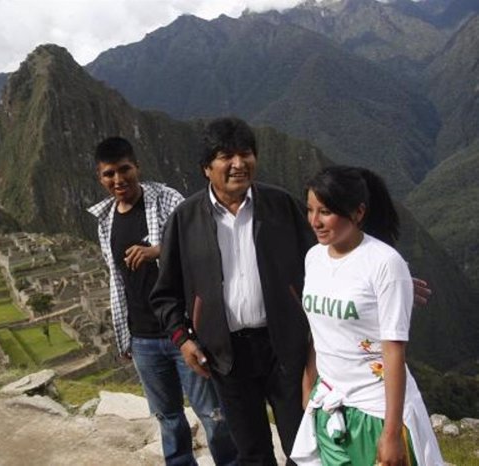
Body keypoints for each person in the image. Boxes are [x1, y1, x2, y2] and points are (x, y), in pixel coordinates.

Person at [151, 117, 314, 465]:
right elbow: (165, 295)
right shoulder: (185, 219)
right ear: (206, 168)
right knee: (251, 451)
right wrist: (184, 339)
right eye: (227, 156)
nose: (239, 164)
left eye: (246, 153)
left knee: (304, 445)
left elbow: (323, 259)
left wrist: (377, 272)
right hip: (227, 356)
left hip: (285, 348)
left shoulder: (281, 206)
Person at [87, 136, 237, 465]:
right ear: (100, 178)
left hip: (182, 332)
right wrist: (125, 336)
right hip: (142, 337)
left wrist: (157, 251)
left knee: (212, 415)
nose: (118, 180)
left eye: (124, 170)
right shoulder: (106, 220)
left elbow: (200, 245)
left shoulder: (168, 200)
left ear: (136, 167)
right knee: (168, 417)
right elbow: (117, 279)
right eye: (109, 174)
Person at [290, 166, 443, 465]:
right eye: (310, 210)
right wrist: (309, 385)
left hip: (375, 410)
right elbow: (319, 330)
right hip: (330, 405)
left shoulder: (385, 264)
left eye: (325, 211)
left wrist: (390, 433)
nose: (315, 221)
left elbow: (393, 350)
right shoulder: (314, 258)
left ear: (358, 213)